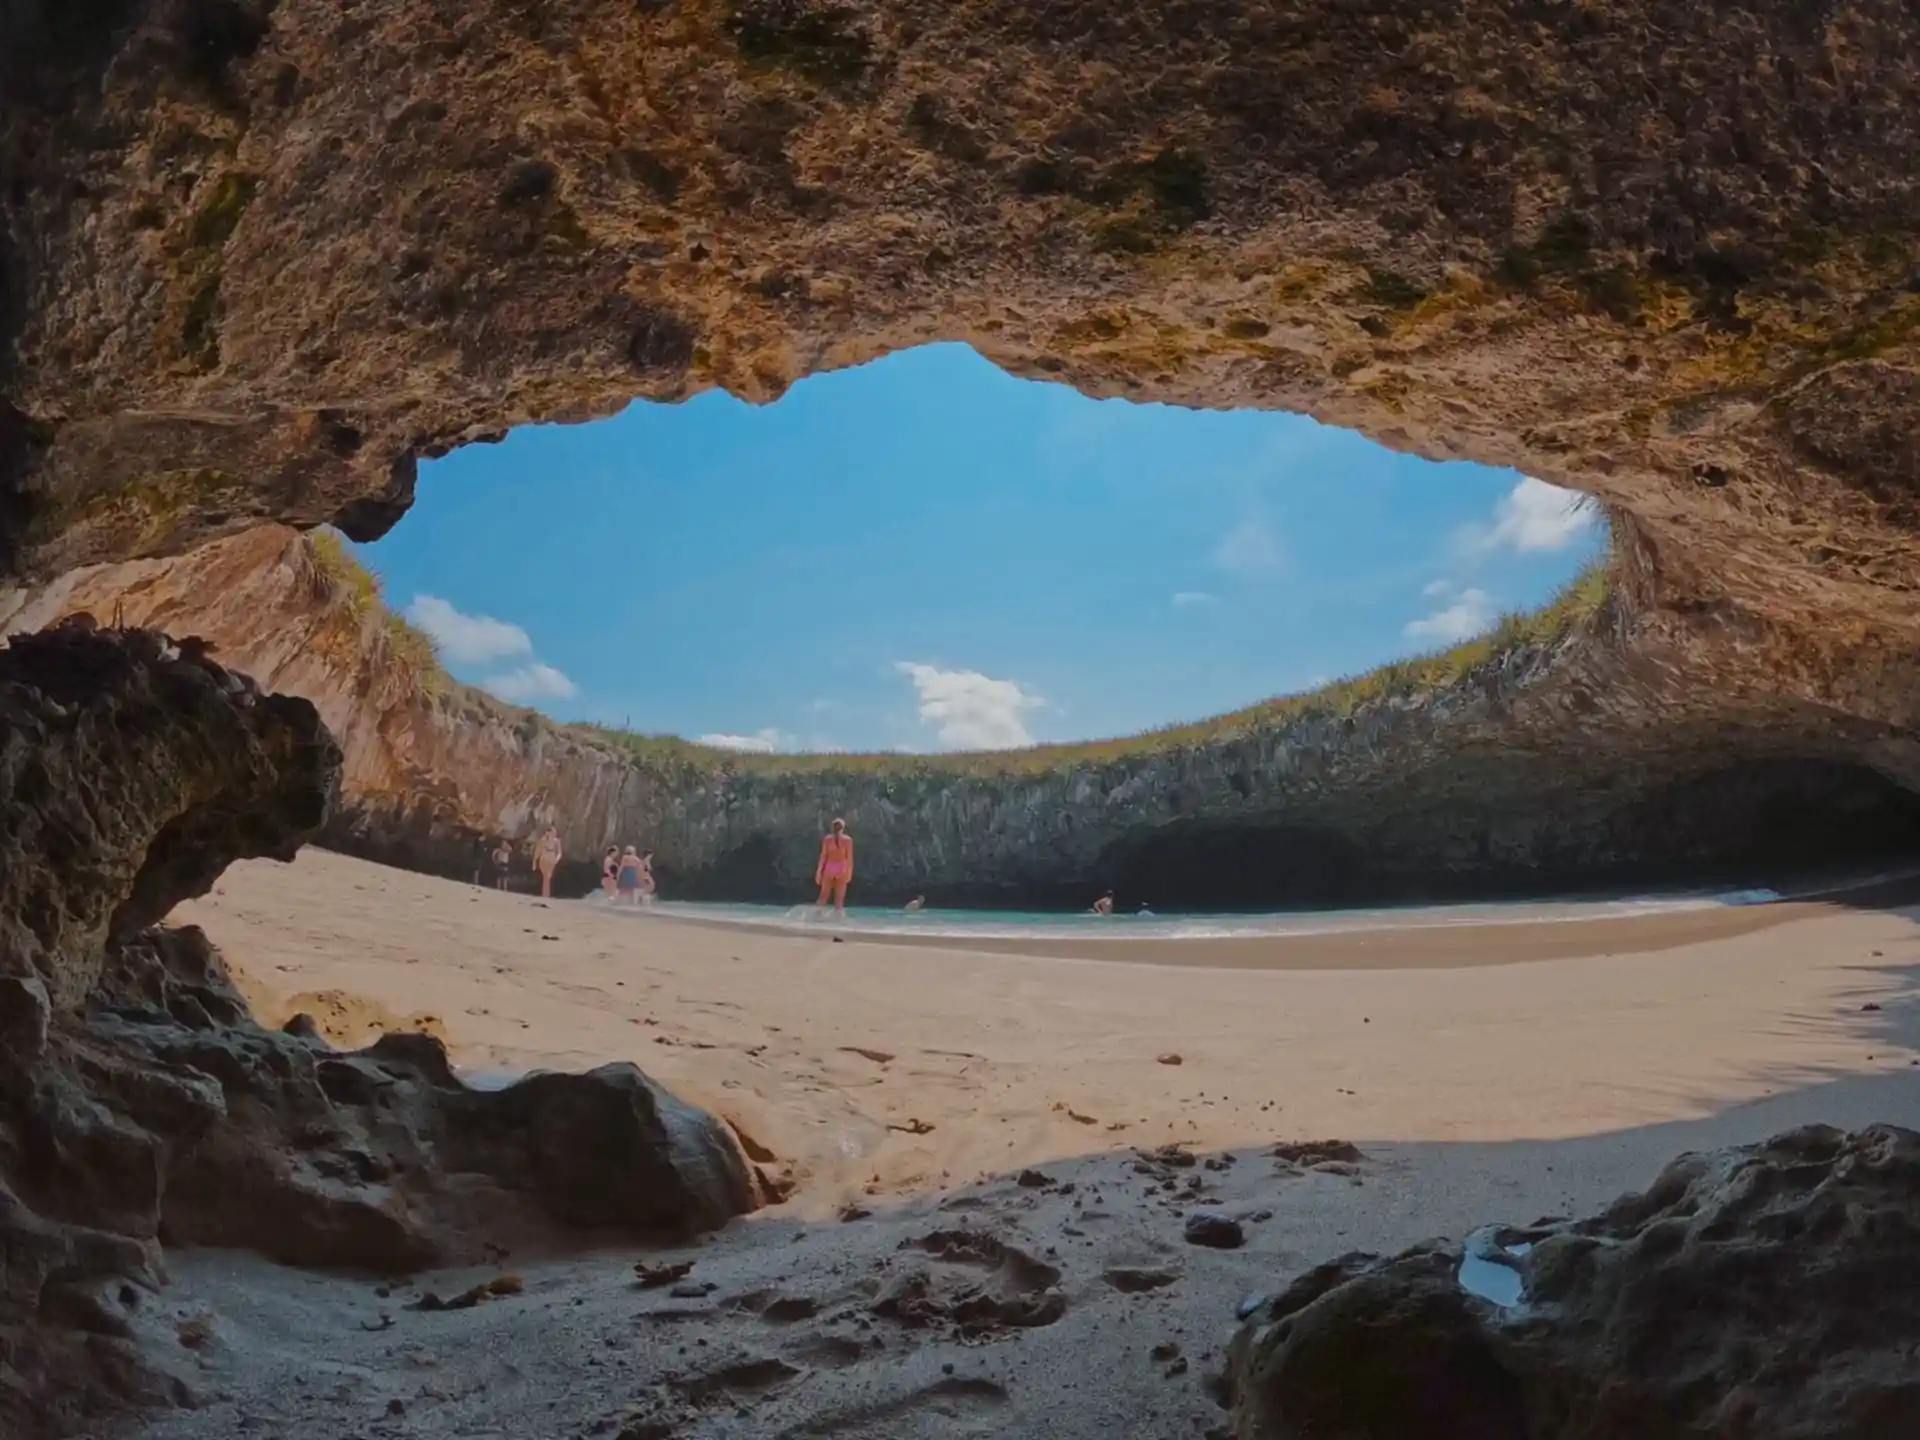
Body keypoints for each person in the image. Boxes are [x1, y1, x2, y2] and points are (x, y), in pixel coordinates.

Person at [815, 818, 854, 918]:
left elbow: (823, 856)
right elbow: (849, 858)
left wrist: (819, 872)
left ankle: (817, 918)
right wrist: (849, 873)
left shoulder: (827, 839)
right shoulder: (848, 840)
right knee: (839, 899)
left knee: (823, 896)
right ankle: (838, 921)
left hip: (829, 869)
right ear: (843, 828)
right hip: (842, 869)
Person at [534, 826, 563, 899]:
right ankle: (545, 894)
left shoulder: (557, 841)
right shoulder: (543, 840)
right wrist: (535, 861)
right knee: (545, 876)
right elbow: (538, 850)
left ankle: (546, 894)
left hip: (551, 859)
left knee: (548, 877)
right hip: (544, 858)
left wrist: (556, 859)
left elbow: (559, 852)